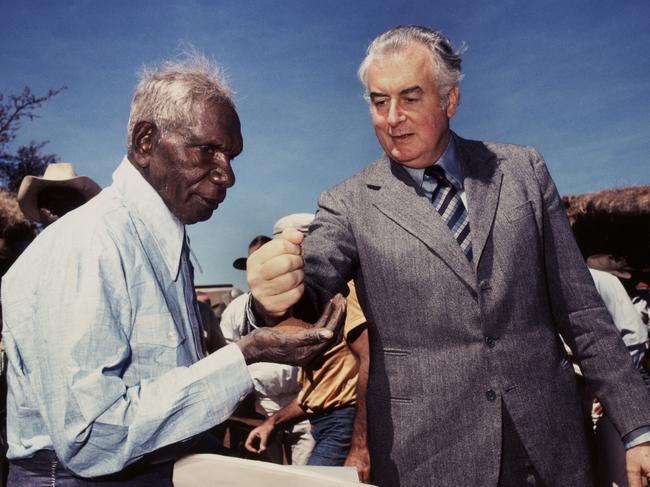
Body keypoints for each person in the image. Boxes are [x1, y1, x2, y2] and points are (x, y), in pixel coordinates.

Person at [246, 26, 650, 487]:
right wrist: (276, 293)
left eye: (410, 98)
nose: (392, 117)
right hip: (429, 460)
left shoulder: (522, 171)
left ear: (449, 100)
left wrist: (638, 427)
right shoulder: (348, 203)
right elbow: (313, 282)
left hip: (549, 448)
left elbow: (582, 312)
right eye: (380, 102)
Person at [0, 53, 344, 485]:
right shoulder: (92, 242)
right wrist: (247, 353)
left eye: (231, 156)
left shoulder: (162, 238)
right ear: (146, 141)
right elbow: (90, 438)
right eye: (209, 151)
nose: (228, 176)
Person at [245, 278, 370, 481]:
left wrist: (360, 446)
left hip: (344, 423)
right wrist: (272, 423)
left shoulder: (346, 293)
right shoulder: (314, 303)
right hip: (325, 423)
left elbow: (369, 357)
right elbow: (316, 396)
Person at [221, 223, 313, 465]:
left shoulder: (300, 301)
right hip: (261, 405)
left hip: (301, 403)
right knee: (267, 473)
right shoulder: (236, 309)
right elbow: (228, 355)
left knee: (306, 473)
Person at [17, 162, 101, 227]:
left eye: (65, 202)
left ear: (80, 205)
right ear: (39, 208)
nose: (54, 211)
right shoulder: (35, 248)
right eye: (47, 202)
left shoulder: (97, 243)